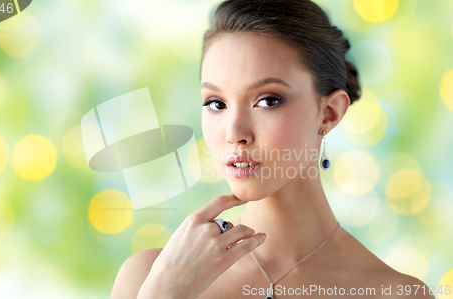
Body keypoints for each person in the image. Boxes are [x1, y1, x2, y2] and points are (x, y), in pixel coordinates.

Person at [110, 1, 435, 298]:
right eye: (216, 103)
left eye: (267, 100)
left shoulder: (396, 293)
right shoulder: (148, 277)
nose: (235, 133)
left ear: (330, 112)